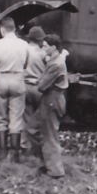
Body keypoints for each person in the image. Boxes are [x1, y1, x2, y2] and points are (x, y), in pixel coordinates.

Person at [25, 35, 67, 177]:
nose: (43, 48)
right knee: (31, 129)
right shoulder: (54, 61)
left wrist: (39, 80)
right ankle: (46, 162)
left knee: (50, 135)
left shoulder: (56, 64)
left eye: (45, 46)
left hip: (52, 99)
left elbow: (41, 85)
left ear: (53, 47)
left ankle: (56, 171)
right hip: (48, 100)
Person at [0, 17, 29, 161]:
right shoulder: (24, 45)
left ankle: (2, 152)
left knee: (0, 117)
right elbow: (26, 64)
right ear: (15, 29)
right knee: (16, 117)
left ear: (2, 29)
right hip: (17, 78)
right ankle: (15, 155)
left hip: (2, 78)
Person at [20, 27, 47, 154]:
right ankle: (39, 148)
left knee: (26, 118)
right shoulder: (43, 53)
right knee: (40, 120)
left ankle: (26, 147)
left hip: (24, 86)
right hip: (39, 88)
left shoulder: (23, 51)